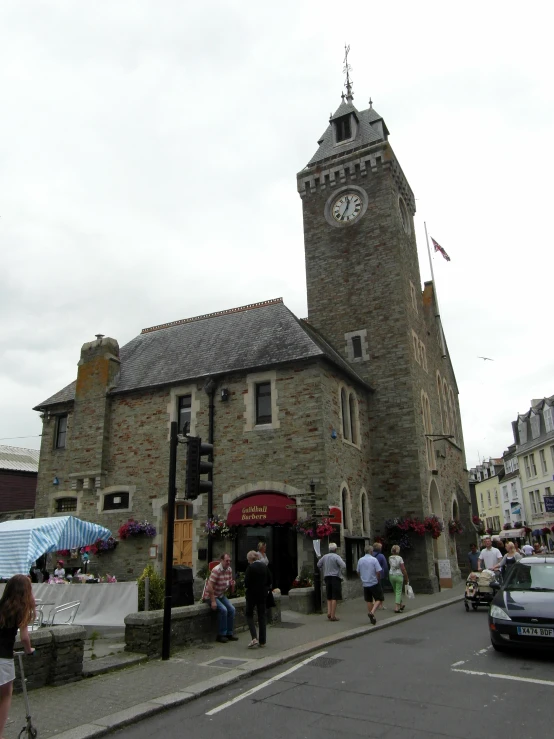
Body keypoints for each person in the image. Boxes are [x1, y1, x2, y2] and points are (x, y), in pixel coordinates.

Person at [0, 575, 36, 739]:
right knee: (5, 695)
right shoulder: (22, 611)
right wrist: (29, 650)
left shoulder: (1, 606)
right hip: (3, 659)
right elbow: (24, 638)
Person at [202, 553, 238, 643]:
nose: (228, 562)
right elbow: (209, 586)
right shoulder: (216, 570)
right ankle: (221, 635)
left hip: (221, 594)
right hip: (211, 595)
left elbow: (231, 590)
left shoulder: (229, 570)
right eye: (227, 561)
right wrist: (213, 601)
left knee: (232, 609)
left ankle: (229, 633)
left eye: (230, 561)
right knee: (223, 610)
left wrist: (232, 585)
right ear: (221, 561)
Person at [244, 550, 271, 649]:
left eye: (248, 560)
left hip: (252, 595)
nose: (248, 562)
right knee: (262, 616)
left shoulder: (250, 568)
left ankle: (254, 637)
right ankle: (262, 641)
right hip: (262, 595)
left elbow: (246, 583)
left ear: (251, 559)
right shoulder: (264, 567)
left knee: (249, 614)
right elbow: (270, 580)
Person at [317, 543, 346, 621]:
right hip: (335, 578)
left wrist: (323, 568)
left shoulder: (325, 557)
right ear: (335, 549)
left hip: (327, 577)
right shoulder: (337, 557)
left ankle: (329, 612)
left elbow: (318, 564)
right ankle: (333, 615)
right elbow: (343, 565)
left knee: (329, 596)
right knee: (334, 597)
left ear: (329, 549)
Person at [356, 545, 383, 624]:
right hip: (373, 582)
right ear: (371, 551)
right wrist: (378, 579)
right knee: (379, 598)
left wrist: (361, 577)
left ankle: (372, 616)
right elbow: (378, 571)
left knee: (368, 600)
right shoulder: (374, 560)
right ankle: (372, 612)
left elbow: (357, 571)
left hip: (365, 583)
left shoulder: (360, 560)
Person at [388, 544, 409, 613]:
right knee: (398, 591)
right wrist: (406, 577)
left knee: (396, 590)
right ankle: (396, 607)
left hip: (391, 575)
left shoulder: (390, 558)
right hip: (399, 575)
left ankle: (401, 604)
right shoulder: (400, 558)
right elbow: (403, 568)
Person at [372, 543, 389, 609]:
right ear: (379, 549)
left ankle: (374, 602)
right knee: (380, 589)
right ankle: (380, 605)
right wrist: (386, 575)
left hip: (372, 574)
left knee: (373, 589)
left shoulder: (370, 555)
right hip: (380, 575)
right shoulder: (381, 556)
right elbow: (385, 566)